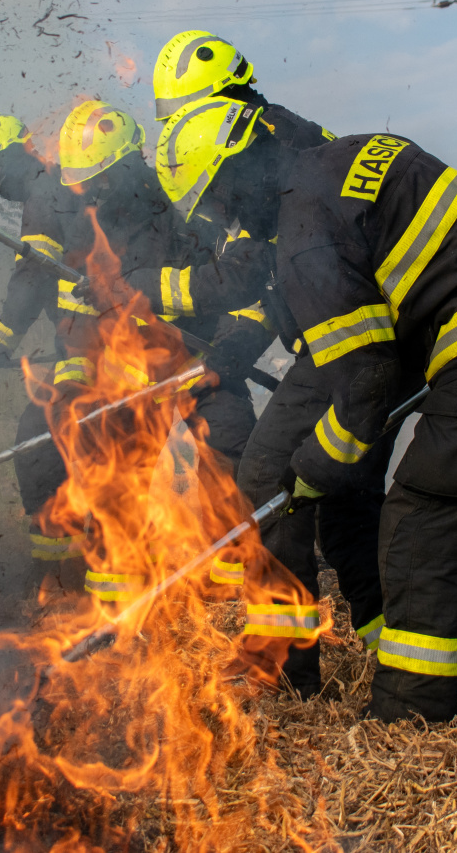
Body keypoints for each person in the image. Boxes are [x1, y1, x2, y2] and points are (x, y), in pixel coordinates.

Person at [154, 105, 457, 723]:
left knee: (425, 512)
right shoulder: (343, 156)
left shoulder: (303, 230)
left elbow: (367, 381)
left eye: (218, 203)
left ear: (238, 175)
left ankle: (410, 711)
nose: (227, 219)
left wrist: (315, 466)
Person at [148, 32, 389, 698]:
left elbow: (248, 275)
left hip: (349, 341)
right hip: (347, 337)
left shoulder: (264, 150)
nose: (181, 135)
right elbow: (275, 292)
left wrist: (149, 286)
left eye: (184, 116)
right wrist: (227, 355)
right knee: (348, 510)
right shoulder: (278, 138)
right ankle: (396, 650)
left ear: (223, 105)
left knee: (266, 471)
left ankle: (287, 665)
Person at [50, 99, 268, 606]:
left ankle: (230, 592)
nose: (94, 192)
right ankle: (117, 603)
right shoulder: (87, 228)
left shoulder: (190, 207)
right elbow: (75, 318)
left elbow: (251, 294)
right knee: (108, 471)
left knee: (230, 453)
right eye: (86, 182)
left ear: (129, 164)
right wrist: (74, 378)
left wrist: (226, 361)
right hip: (128, 374)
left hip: (202, 364)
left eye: (101, 178)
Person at [0, 110, 86, 583]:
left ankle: (65, 579)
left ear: (16, 154)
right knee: (46, 452)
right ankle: (60, 576)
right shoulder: (56, 187)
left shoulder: (45, 195)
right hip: (81, 341)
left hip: (97, 346)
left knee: (37, 449)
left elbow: (31, 279)